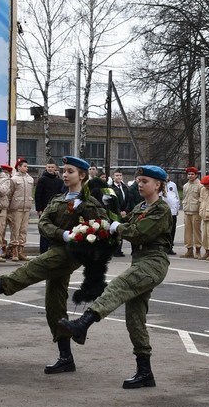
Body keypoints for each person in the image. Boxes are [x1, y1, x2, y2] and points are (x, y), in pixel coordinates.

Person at [0, 156, 108, 374]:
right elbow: (44, 223)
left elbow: (98, 228)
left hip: (70, 254)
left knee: (30, 269)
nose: (65, 175)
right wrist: (62, 233)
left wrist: (77, 238)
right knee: (54, 304)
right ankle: (66, 357)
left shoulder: (90, 202)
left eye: (70, 171)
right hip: (57, 247)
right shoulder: (59, 198)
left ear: (82, 176)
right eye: (63, 171)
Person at [59, 165, 173, 389]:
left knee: (119, 286)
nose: (140, 184)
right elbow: (124, 224)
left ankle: (84, 322)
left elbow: (138, 232)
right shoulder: (140, 206)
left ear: (158, 185)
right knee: (135, 317)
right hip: (139, 260)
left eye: (145, 181)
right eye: (139, 180)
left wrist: (116, 227)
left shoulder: (161, 209)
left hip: (154, 262)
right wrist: (107, 219)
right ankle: (145, 372)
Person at [35, 159, 64, 254]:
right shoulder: (42, 179)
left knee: (54, 230)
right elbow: (38, 194)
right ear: (46, 168)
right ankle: (43, 251)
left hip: (56, 209)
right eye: (49, 167)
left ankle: (53, 250)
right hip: (44, 208)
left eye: (52, 167)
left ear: (55, 168)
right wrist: (39, 209)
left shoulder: (59, 181)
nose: (50, 169)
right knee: (44, 230)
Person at [8, 157, 33, 261]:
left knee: (23, 230)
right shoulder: (13, 179)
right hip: (16, 208)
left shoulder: (30, 179)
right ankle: (14, 251)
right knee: (15, 229)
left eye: (27, 166)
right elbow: (10, 194)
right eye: (24, 166)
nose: (26, 168)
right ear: (18, 167)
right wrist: (8, 208)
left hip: (26, 208)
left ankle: (21, 251)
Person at [180, 166, 202, 258]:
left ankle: (197, 250)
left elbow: (202, 198)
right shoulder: (185, 186)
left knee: (196, 232)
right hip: (187, 211)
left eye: (192, 174)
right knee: (187, 232)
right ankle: (189, 250)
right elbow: (184, 197)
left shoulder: (200, 185)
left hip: (196, 211)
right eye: (189, 174)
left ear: (196, 175)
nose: (190, 176)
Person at [110, 169, 131, 257]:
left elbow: (128, 200)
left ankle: (119, 249)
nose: (118, 177)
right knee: (115, 231)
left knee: (121, 230)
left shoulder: (125, 187)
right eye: (117, 175)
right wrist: (119, 212)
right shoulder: (111, 188)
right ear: (113, 177)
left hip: (124, 212)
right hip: (115, 213)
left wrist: (125, 211)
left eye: (120, 175)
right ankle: (115, 250)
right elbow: (113, 202)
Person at [163, 175, 180, 255]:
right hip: (164, 212)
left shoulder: (173, 185)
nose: (166, 177)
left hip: (173, 211)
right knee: (164, 230)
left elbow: (176, 196)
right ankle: (164, 247)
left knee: (172, 230)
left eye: (167, 175)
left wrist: (177, 208)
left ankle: (170, 247)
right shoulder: (159, 184)